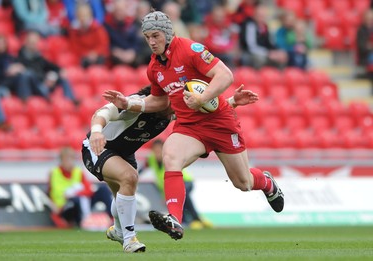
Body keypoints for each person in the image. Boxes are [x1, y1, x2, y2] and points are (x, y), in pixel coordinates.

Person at [103, 10, 284, 241]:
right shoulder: (154, 68)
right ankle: (175, 220)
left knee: (244, 182)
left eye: (156, 35)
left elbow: (224, 75)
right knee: (171, 156)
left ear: (167, 34)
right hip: (189, 126)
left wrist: (202, 97)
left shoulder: (190, 49)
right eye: (147, 36)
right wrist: (129, 103)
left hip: (219, 121)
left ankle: (267, 183)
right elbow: (159, 101)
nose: (151, 41)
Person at [85, 84, 258, 251]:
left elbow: (204, 113)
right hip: (98, 148)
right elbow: (103, 112)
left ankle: (118, 230)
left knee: (122, 192)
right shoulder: (137, 103)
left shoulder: (167, 113)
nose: (179, 103)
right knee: (129, 178)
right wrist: (96, 132)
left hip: (125, 154)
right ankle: (129, 239)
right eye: (174, 98)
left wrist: (232, 101)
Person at [140, 139, 212, 229]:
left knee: (184, 198)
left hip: (185, 180)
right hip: (172, 186)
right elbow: (141, 170)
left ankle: (195, 219)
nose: (157, 152)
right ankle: (190, 221)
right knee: (182, 201)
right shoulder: (150, 159)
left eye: (159, 150)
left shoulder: (167, 156)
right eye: (155, 150)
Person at [48, 146, 113, 228]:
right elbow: (49, 193)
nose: (70, 162)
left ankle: (113, 218)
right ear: (61, 160)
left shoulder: (78, 172)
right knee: (75, 200)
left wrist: (77, 193)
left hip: (82, 201)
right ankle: (81, 222)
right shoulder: (54, 173)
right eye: (67, 159)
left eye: (71, 159)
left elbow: (88, 190)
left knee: (103, 189)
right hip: (65, 206)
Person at [17, 31, 79, 104]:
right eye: (31, 42)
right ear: (26, 42)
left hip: (43, 84)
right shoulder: (19, 57)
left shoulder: (39, 57)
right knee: (27, 74)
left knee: (61, 75)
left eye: (35, 42)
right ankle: (29, 100)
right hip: (33, 86)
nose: (33, 45)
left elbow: (53, 67)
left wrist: (53, 76)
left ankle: (71, 99)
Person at [240, 4, 287, 69]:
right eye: (259, 15)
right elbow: (251, 47)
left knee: (282, 57)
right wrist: (268, 53)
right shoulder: (250, 25)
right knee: (260, 59)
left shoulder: (265, 27)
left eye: (263, 15)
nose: (261, 17)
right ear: (254, 15)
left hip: (264, 53)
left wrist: (277, 52)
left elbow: (270, 44)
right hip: (249, 54)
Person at [66, 3, 110, 69]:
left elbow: (104, 44)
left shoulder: (98, 28)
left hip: (98, 57)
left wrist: (95, 53)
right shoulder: (74, 30)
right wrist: (87, 54)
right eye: (81, 15)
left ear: (90, 15)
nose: (83, 18)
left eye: (85, 15)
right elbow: (75, 47)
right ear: (77, 16)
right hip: (83, 58)